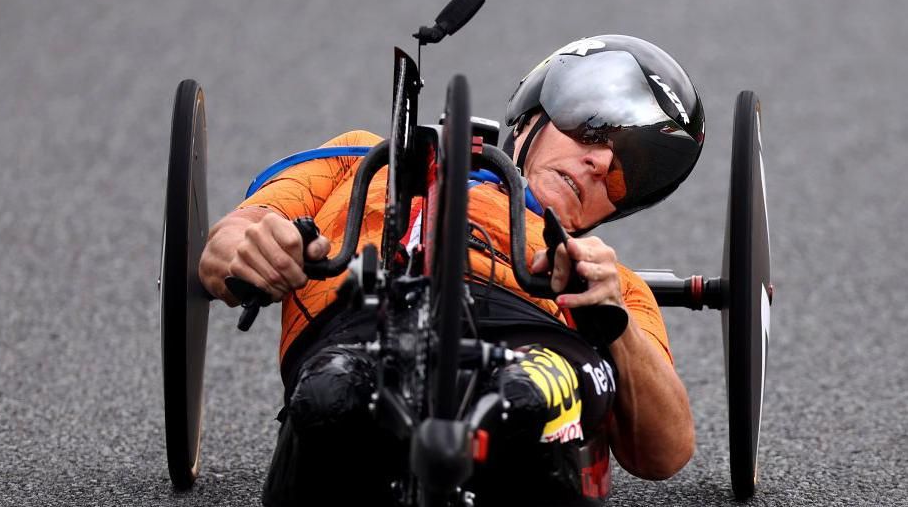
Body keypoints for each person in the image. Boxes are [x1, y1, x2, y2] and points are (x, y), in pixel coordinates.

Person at [199, 35, 704, 506]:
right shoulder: (361, 161)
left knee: (524, 397)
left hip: (533, 344)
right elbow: (231, 240)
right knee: (331, 395)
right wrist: (257, 249)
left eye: (624, 174)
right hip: (361, 327)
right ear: (530, 120)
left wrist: (613, 319)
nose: (598, 162)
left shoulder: (615, 284)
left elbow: (664, 453)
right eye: (591, 128)